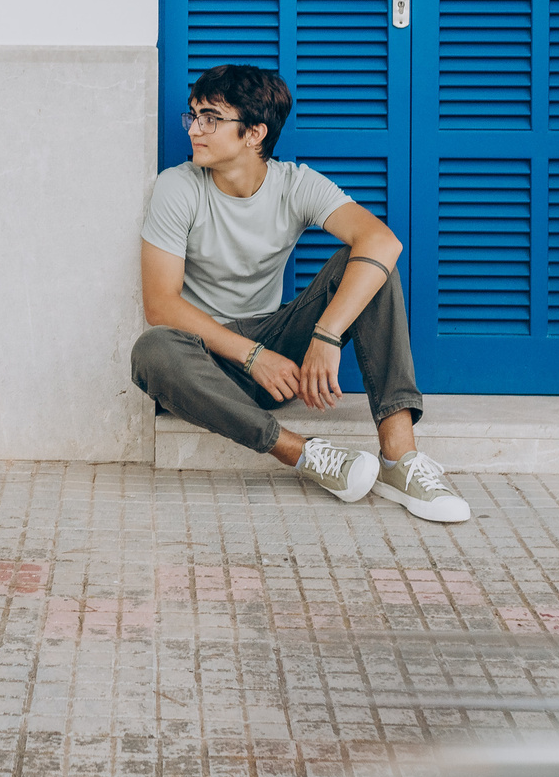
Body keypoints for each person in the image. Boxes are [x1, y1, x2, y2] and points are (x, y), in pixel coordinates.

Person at [131, 64, 469, 522]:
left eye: (211, 118)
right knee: (153, 349)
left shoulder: (295, 184)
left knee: (372, 263)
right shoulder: (178, 187)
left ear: (254, 134)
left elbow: (383, 241)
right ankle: (304, 454)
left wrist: (326, 335)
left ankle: (400, 459)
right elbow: (161, 304)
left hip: (277, 345)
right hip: (210, 361)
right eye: (192, 116)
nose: (195, 130)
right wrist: (252, 356)